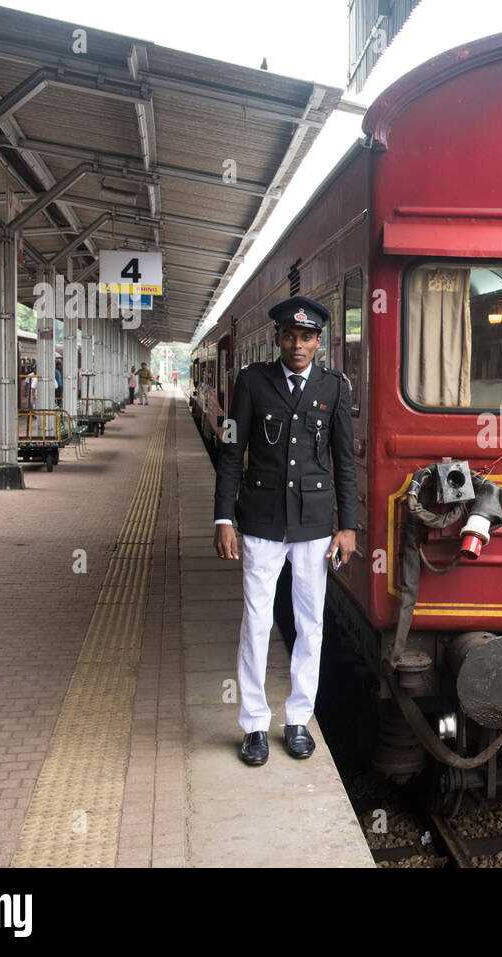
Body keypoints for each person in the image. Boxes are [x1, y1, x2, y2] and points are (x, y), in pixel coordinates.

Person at [213, 296, 357, 766]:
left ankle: (298, 718)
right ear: (278, 338)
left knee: (310, 624)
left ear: (319, 341)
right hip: (260, 521)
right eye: (291, 336)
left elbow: (344, 463)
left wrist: (348, 526)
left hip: (315, 525)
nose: (298, 345)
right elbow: (233, 452)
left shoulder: (335, 387)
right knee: (256, 622)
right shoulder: (252, 383)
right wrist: (224, 517)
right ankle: (254, 723)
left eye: (307, 337)